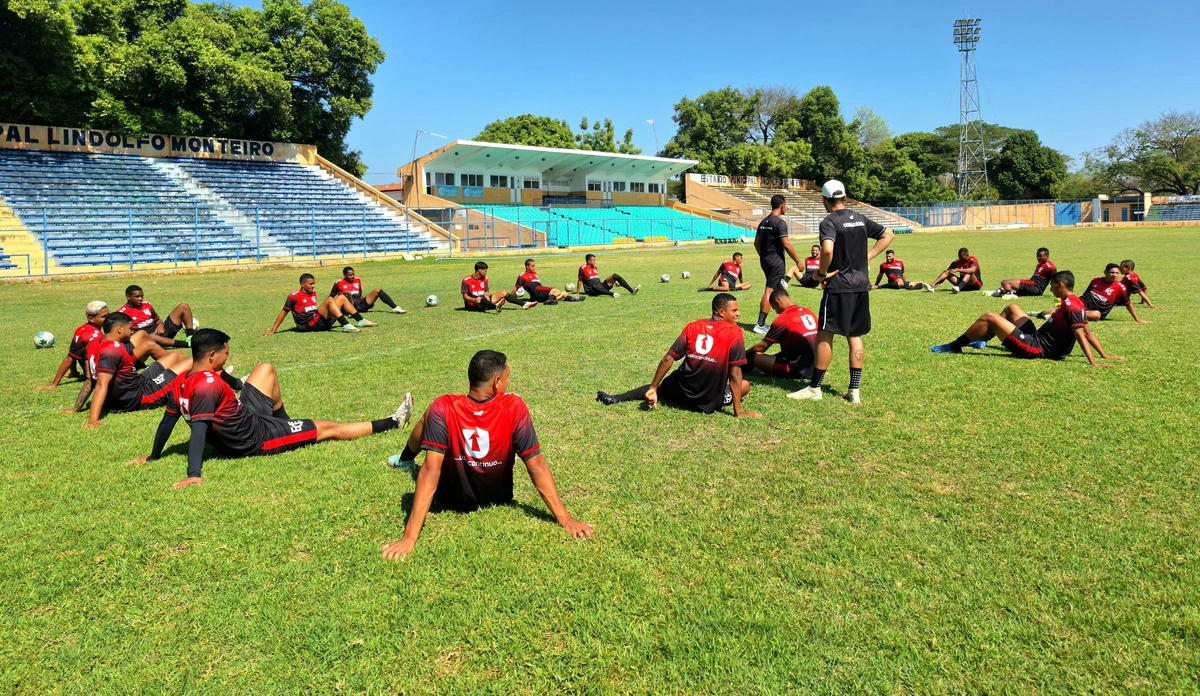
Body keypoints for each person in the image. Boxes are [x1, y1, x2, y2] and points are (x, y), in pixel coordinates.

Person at [128, 328, 415, 490]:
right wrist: (194, 473)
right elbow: (199, 431)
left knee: (264, 369)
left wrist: (154, 456)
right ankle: (394, 421)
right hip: (257, 438)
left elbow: (167, 422)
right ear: (213, 355)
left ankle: (288, 423)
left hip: (247, 416)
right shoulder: (207, 385)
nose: (229, 356)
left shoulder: (182, 382)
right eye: (226, 352)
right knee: (329, 427)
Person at [380, 350, 593, 561]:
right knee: (439, 420)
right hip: (498, 498)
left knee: (430, 417)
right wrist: (567, 521)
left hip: (450, 501)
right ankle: (405, 460)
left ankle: (405, 459)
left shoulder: (443, 406)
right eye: (508, 378)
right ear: (497, 382)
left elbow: (430, 470)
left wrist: (409, 538)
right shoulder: (514, 406)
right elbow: (536, 465)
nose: (509, 382)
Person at [789, 180, 893, 405]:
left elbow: (827, 249)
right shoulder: (860, 218)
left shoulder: (829, 221)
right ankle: (854, 390)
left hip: (838, 286)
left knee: (825, 334)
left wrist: (821, 273)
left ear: (825, 200)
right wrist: (867, 257)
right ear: (844, 197)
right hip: (861, 285)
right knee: (854, 336)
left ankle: (815, 387)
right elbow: (888, 236)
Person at [596, 293, 759, 417]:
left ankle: (616, 398)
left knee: (659, 388)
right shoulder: (734, 332)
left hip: (680, 391)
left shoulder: (693, 326)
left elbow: (668, 358)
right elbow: (735, 374)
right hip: (707, 402)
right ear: (721, 312)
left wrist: (653, 387)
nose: (738, 314)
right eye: (735, 310)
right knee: (745, 385)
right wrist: (738, 412)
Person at [931, 270, 1122, 367]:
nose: (1051, 289)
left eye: (1053, 286)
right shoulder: (1074, 302)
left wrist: (1094, 362)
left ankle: (955, 346)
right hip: (1038, 337)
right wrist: (1104, 355)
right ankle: (981, 340)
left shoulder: (1071, 305)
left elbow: (1082, 334)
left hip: (1036, 348)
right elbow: (1087, 332)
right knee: (1012, 308)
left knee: (989, 317)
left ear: (1061, 285)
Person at [68, 311, 196, 427]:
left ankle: (175, 376)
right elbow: (101, 384)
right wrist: (93, 420)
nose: (132, 332)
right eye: (130, 328)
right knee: (194, 360)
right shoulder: (112, 350)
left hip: (136, 383)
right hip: (141, 396)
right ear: (119, 329)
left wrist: (76, 408)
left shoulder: (94, 344)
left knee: (175, 356)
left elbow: (90, 380)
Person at [752, 194, 804, 333]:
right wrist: (798, 260)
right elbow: (786, 244)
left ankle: (782, 319)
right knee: (770, 290)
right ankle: (760, 324)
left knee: (776, 289)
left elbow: (756, 243)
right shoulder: (780, 223)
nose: (786, 207)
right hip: (776, 262)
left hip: (765, 260)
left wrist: (763, 256)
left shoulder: (763, 222)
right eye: (786, 204)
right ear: (782, 205)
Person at [745, 288, 818, 380]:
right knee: (775, 357)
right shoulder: (809, 312)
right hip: (817, 365)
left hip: (798, 369)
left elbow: (761, 347)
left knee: (752, 356)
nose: (776, 312)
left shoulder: (784, 318)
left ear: (778, 302)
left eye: (774, 308)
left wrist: (743, 354)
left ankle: (734, 368)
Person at [263, 273, 373, 335]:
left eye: (314, 284)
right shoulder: (293, 296)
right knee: (330, 300)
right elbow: (284, 313)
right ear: (302, 284)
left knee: (342, 297)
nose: (313, 286)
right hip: (309, 324)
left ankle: (361, 320)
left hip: (319, 321)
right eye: (310, 284)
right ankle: (346, 325)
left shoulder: (313, 293)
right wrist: (273, 331)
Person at [39, 300, 108, 391]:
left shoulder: (82, 329)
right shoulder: (92, 336)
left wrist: (74, 372)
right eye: (104, 316)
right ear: (91, 319)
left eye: (108, 315)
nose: (108, 318)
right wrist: (54, 384)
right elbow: (70, 358)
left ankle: (74, 372)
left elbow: (73, 352)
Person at [117, 284, 194, 348]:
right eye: (137, 297)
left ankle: (190, 337)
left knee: (184, 306)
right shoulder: (122, 313)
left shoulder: (147, 305)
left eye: (142, 296)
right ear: (128, 297)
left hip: (162, 332)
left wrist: (160, 324)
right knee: (151, 336)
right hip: (148, 339)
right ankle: (185, 344)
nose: (140, 299)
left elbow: (157, 319)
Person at [1073, 264, 1146, 323]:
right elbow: (1085, 294)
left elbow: (1128, 303)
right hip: (1081, 304)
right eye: (1112, 272)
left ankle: (1070, 313)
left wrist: (1137, 319)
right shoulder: (1096, 280)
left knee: (1096, 315)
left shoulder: (1120, 287)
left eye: (1117, 273)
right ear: (1105, 272)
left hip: (1092, 311)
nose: (1114, 275)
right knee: (1071, 297)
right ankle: (1066, 308)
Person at [330, 266, 405, 314]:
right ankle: (351, 312)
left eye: (353, 274)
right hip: (348, 306)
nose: (352, 276)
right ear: (344, 275)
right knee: (347, 294)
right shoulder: (338, 283)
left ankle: (395, 308)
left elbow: (359, 294)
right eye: (350, 275)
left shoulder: (357, 280)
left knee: (377, 290)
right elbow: (331, 297)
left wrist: (368, 303)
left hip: (360, 304)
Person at [511, 258, 582, 306]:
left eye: (534, 266)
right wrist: (510, 297)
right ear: (527, 266)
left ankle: (572, 299)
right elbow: (516, 288)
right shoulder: (522, 275)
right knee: (556, 291)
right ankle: (548, 301)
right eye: (532, 266)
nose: (534, 267)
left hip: (539, 293)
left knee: (563, 293)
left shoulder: (534, 273)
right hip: (537, 291)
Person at [990, 247, 1056, 298]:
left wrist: (1053, 289)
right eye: (1037, 255)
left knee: (1005, 282)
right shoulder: (1040, 264)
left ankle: (1009, 294)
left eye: (1040, 256)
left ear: (1047, 256)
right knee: (1004, 286)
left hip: (1036, 288)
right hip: (1032, 285)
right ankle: (999, 292)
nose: (1038, 257)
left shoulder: (1050, 267)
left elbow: (1055, 279)